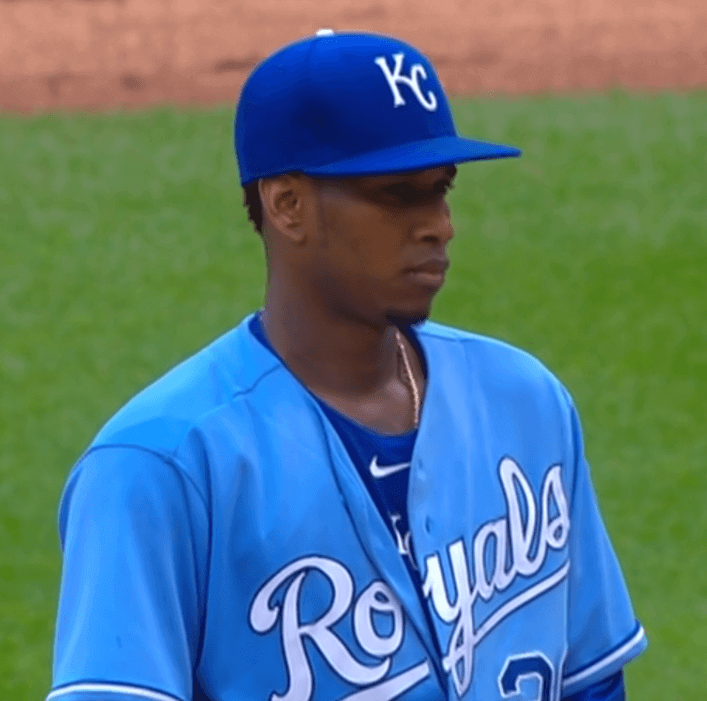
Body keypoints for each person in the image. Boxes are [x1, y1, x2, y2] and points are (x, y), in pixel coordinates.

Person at [47, 30, 646, 701]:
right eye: (397, 195)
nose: (439, 223)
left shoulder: (526, 403)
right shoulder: (161, 465)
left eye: (440, 187)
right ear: (287, 204)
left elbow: (590, 679)